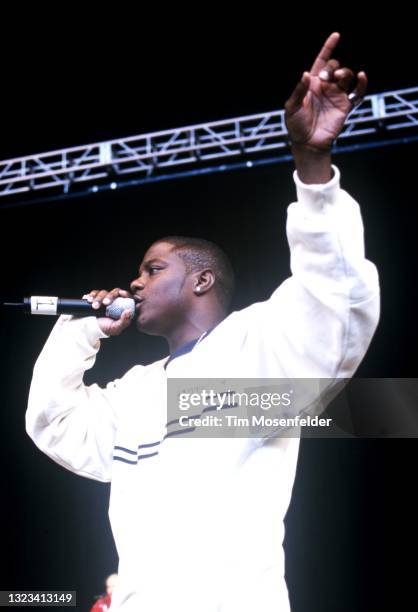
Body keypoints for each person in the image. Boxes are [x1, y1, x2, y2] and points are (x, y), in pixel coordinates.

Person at [26, 33, 379, 612]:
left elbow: (336, 303)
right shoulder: (136, 391)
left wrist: (312, 166)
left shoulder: (256, 351)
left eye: (152, 268)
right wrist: (81, 330)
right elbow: (51, 421)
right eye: (136, 273)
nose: (135, 283)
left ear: (202, 280)